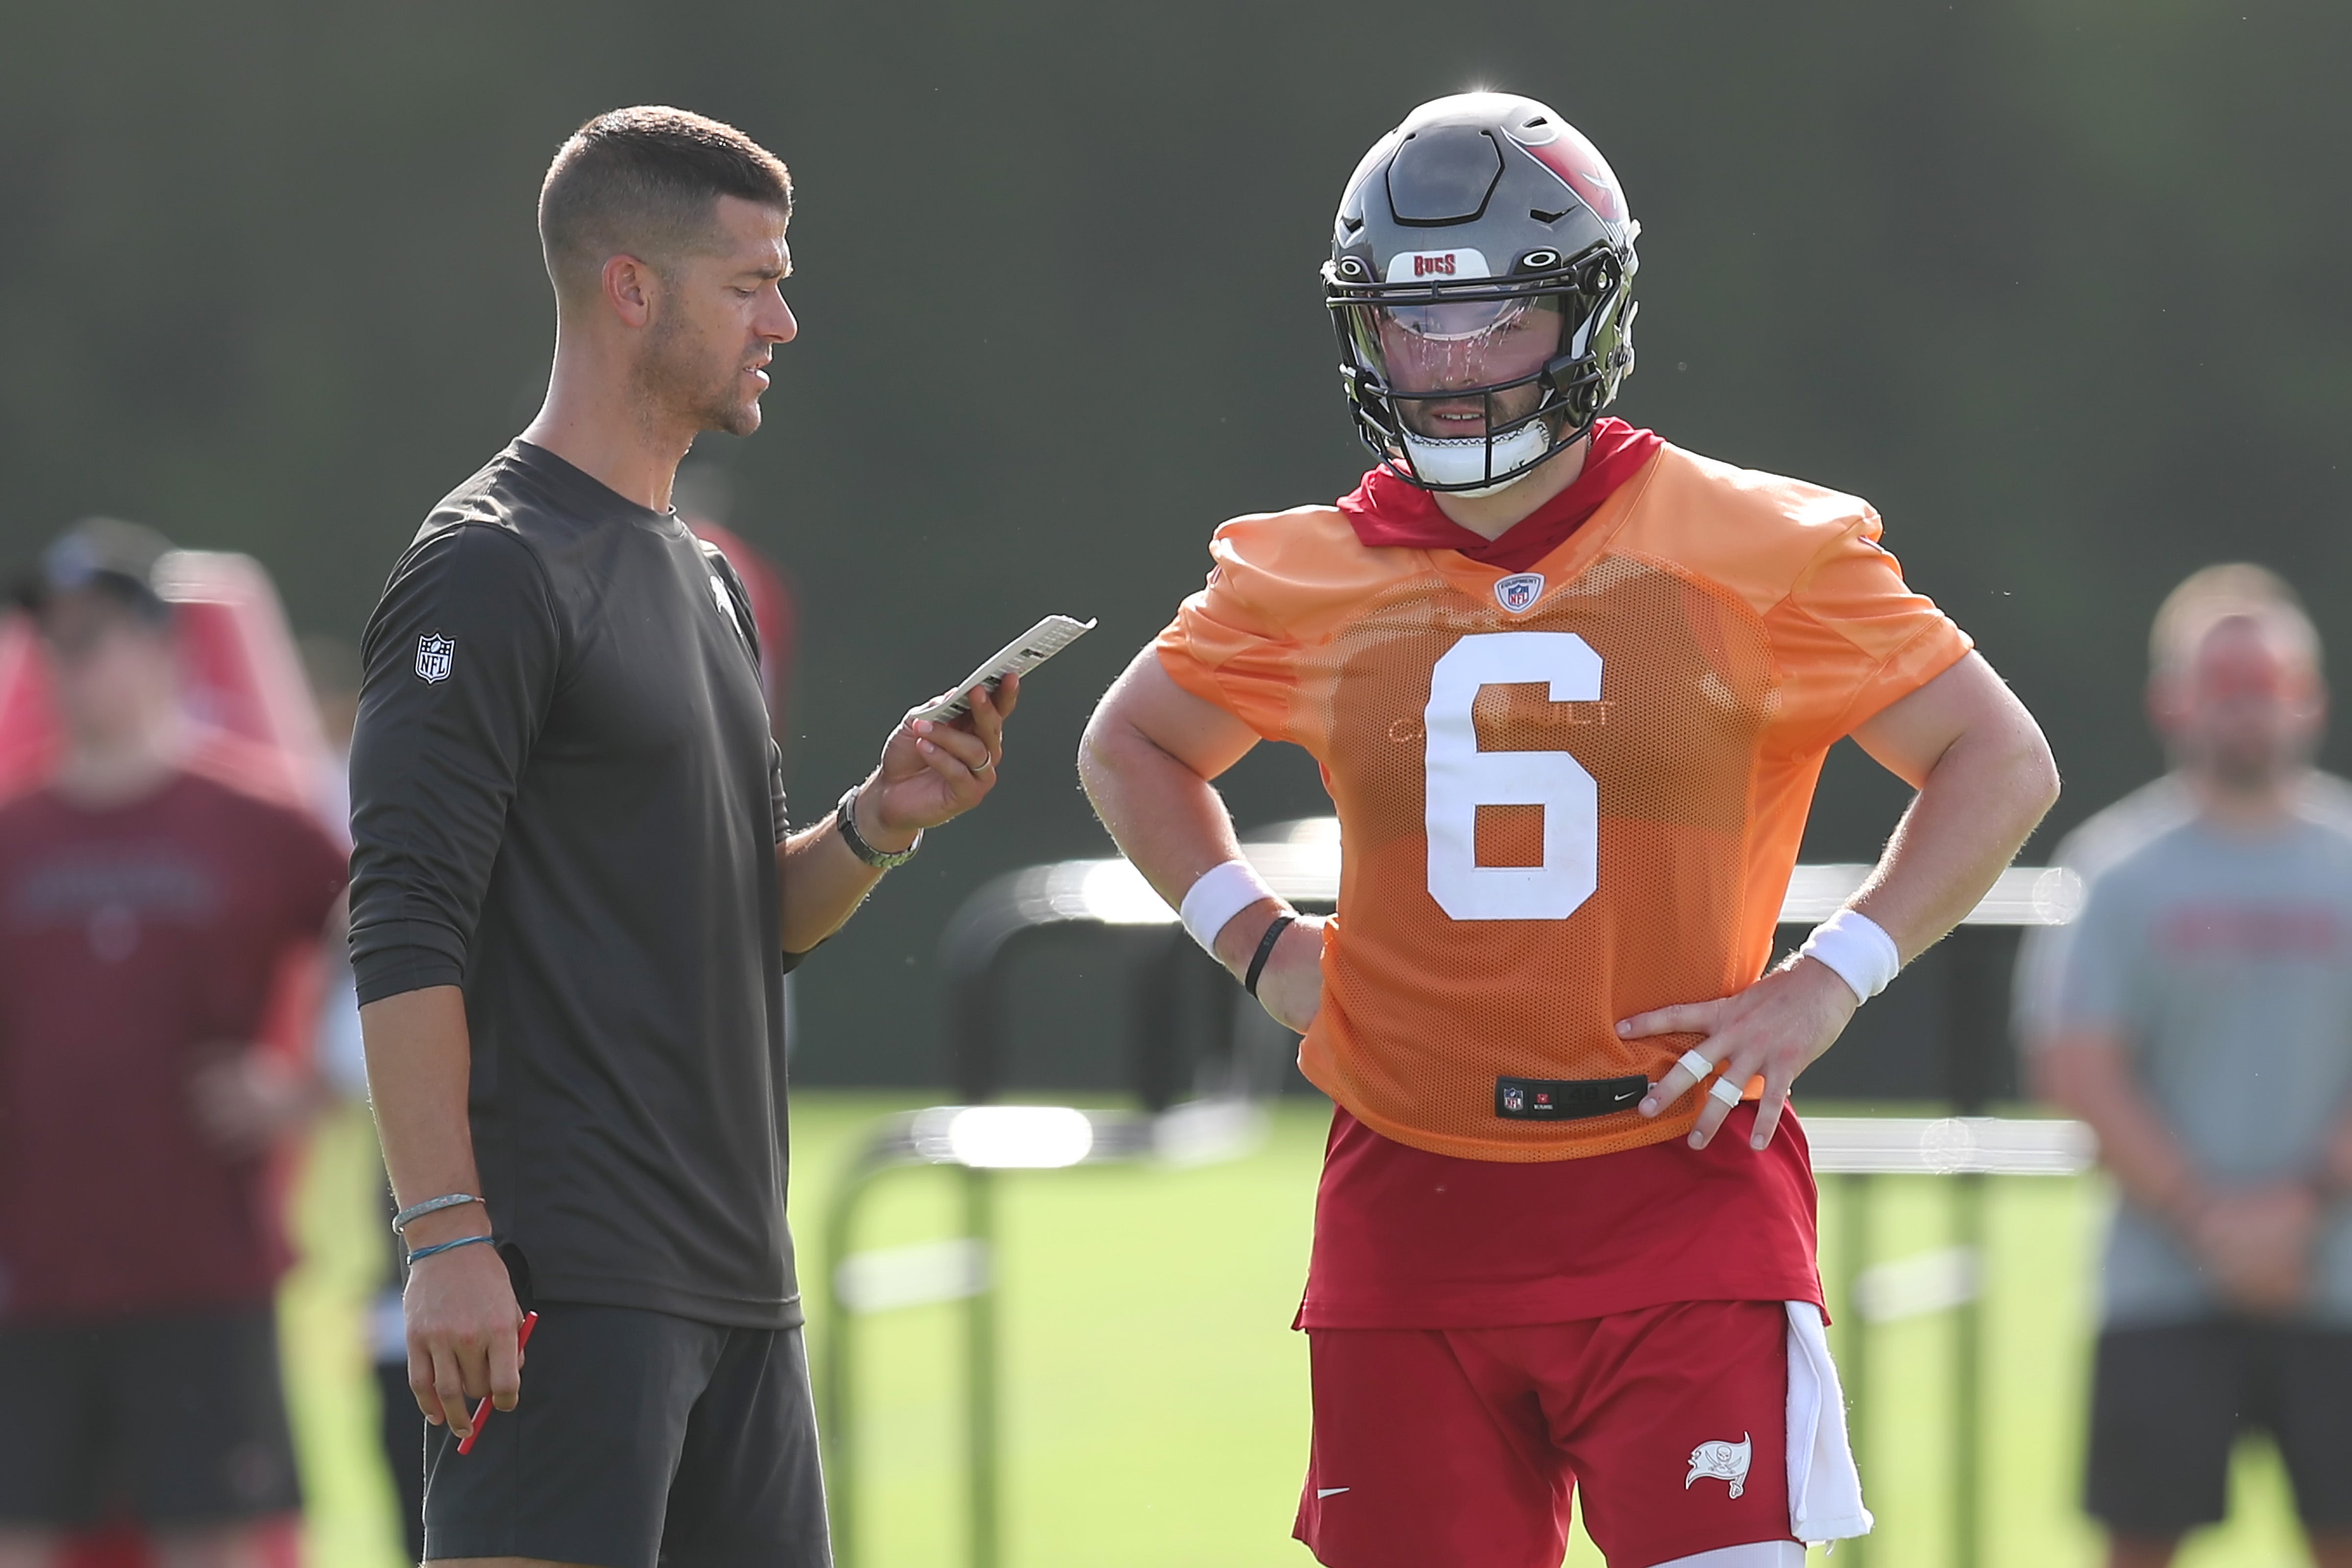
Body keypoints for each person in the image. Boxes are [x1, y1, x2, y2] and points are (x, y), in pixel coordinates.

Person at [1078, 93, 2059, 1568]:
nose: (1454, 369)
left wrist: (1827, 979)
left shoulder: (1754, 545)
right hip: (1410, 1202)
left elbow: (2000, 757)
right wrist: (1262, 945)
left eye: (1495, 320)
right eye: (1418, 328)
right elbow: (1131, 743)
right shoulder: (1309, 576)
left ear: (1587, 312)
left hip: (1681, 1185)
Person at [347, 106, 1016, 1568]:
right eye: (748, 283)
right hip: (564, 1288)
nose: (783, 318)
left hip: (738, 1292)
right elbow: (403, 917)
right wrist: (446, 1234)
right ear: (629, 290)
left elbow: (746, 921)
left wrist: (875, 824)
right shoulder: (490, 567)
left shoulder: (705, 577)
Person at [0, 519, 347, 1568]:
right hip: (34, 1275)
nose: (70, 664)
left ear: (163, 648)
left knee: (211, 1542)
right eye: (52, 640)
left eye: (93, 637)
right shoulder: (16, 831)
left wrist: (307, 1087)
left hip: (201, 1267)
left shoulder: (251, 818)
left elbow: (387, 938)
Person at [2024, 565, 2352, 1568]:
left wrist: (2298, 1205)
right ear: (2175, 699)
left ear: (2309, 696)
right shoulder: (2119, 867)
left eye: (2265, 684)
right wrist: (2210, 1217)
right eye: (2224, 685)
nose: (2246, 708)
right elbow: (2078, 1063)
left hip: (2337, 1281)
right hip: (2161, 1281)